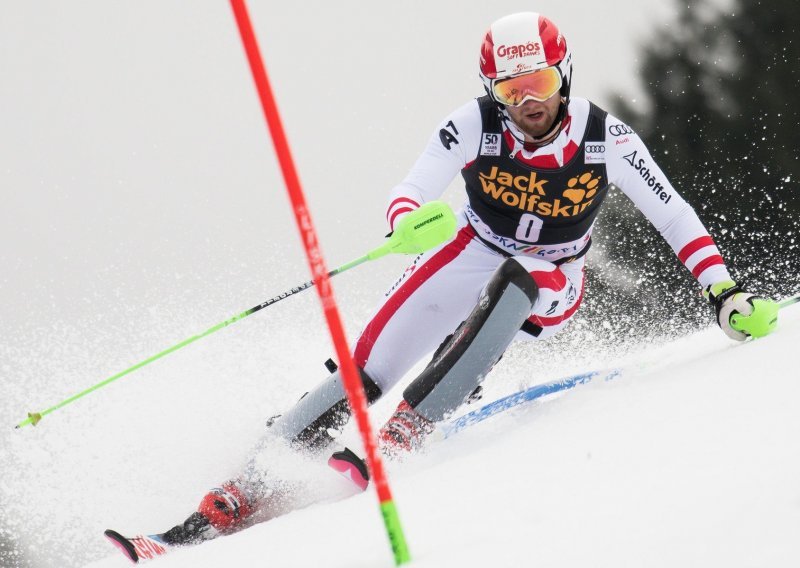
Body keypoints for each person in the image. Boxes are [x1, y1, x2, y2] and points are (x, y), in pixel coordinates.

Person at [104, 11, 780, 561]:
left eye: (541, 82)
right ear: (493, 90)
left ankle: (404, 431)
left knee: (517, 279)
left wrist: (721, 293)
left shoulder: (606, 138)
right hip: (469, 246)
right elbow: (413, 187)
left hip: (553, 274)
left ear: (564, 76)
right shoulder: (475, 124)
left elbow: (672, 212)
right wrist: (407, 221)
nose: (530, 102)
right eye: (513, 89)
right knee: (363, 368)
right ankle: (236, 495)